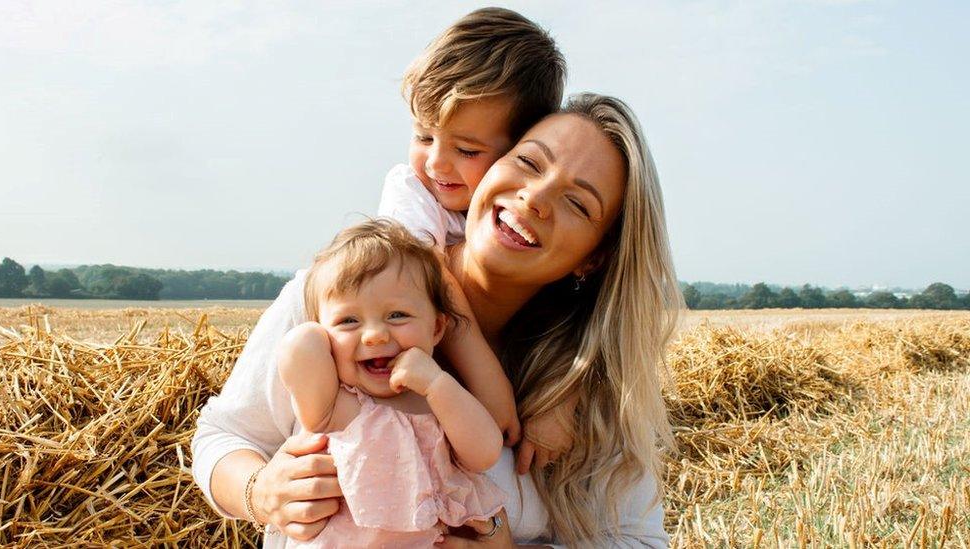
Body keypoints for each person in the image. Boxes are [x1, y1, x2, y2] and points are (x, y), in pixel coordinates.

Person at [192, 93, 681, 548]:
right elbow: (223, 435)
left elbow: (641, 540)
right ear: (490, 165)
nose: (534, 198)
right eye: (528, 162)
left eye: (577, 203)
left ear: (593, 259)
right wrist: (261, 490)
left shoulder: (589, 387)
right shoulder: (337, 299)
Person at [377, 6, 567, 457]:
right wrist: (485, 372)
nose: (436, 163)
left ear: (520, 151)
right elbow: (425, 269)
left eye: (466, 148)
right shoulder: (411, 191)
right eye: (424, 136)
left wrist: (565, 398)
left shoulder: (520, 219)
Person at [276, 219, 505, 547]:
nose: (374, 335)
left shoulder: (440, 402)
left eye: (397, 315)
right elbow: (298, 349)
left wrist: (437, 384)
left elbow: (484, 453)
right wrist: (320, 332)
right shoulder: (339, 406)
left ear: (437, 329)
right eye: (348, 320)